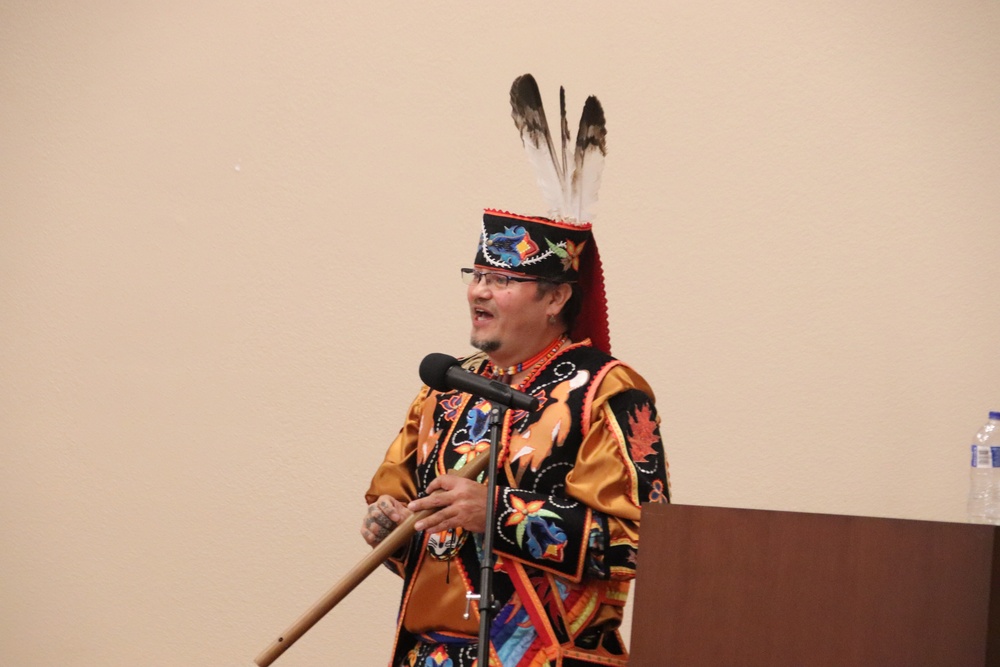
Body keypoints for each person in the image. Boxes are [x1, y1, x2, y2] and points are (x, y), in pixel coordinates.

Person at [361, 75, 670, 667]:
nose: (479, 292)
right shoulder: (448, 388)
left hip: (540, 657)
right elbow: (412, 520)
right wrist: (392, 525)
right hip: (429, 655)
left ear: (555, 299)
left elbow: (644, 543)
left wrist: (495, 512)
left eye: (501, 280)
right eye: (475, 277)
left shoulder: (603, 390)